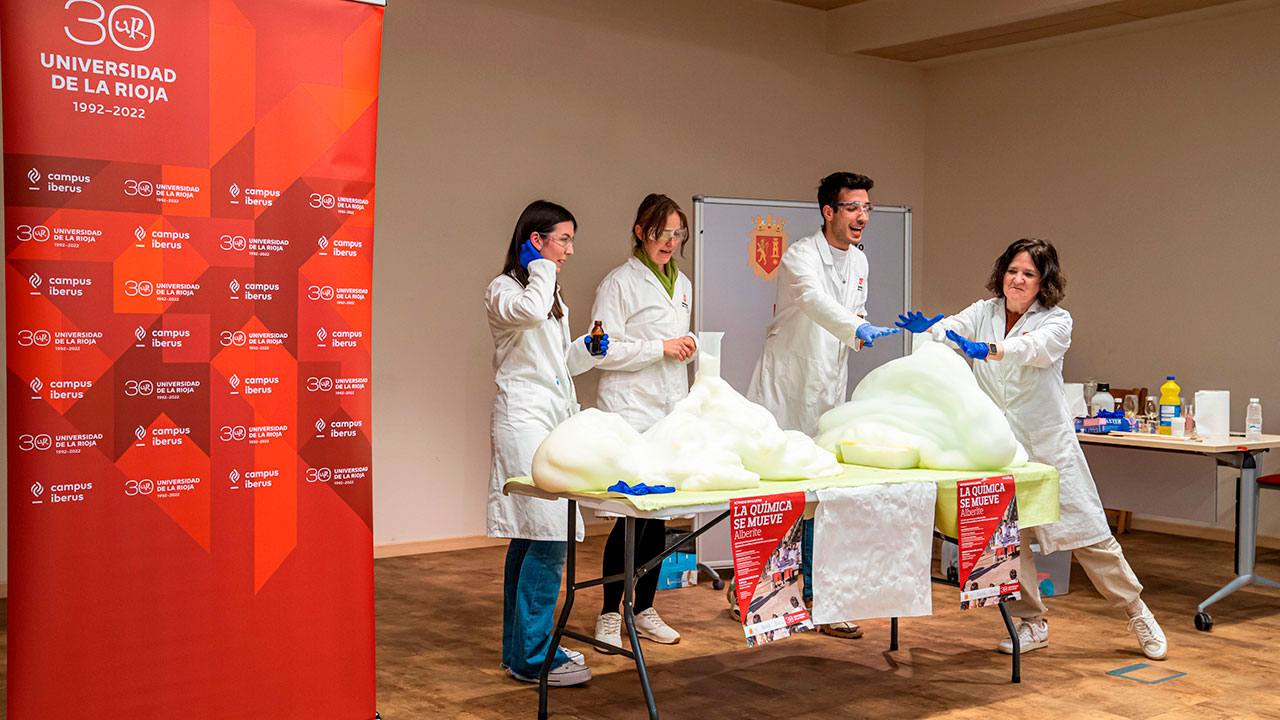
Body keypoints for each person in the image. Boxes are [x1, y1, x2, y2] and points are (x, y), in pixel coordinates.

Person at [909, 237, 1167, 660]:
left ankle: (1137, 612)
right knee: (1007, 537)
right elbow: (951, 330)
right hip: (997, 446)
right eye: (1012, 270)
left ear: (1044, 281)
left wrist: (989, 349)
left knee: (1090, 534)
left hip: (1049, 446)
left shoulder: (1057, 321)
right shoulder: (984, 311)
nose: (1017, 279)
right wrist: (932, 329)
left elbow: (1033, 351)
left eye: (1028, 273)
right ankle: (1032, 623)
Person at [746, 171, 916, 640]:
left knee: (822, 497)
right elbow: (817, 302)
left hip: (827, 388)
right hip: (786, 385)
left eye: (867, 208)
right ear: (829, 212)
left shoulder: (859, 262)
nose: (862, 217)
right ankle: (761, 591)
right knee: (777, 494)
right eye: (853, 208)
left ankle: (820, 598)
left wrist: (860, 331)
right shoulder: (801, 255)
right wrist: (857, 329)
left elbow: (850, 310)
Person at [486, 200, 610, 687]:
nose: (570, 251)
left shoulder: (547, 291)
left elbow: (557, 363)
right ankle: (533, 659)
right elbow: (531, 311)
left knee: (531, 535)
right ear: (535, 240)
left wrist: (587, 350)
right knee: (549, 534)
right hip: (523, 422)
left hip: (549, 417)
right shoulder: (505, 289)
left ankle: (518, 650)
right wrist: (541, 268)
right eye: (563, 239)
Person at [589, 193, 696, 652]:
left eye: (677, 233)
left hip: (669, 410)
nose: (670, 241)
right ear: (640, 232)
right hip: (630, 411)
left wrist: (686, 345)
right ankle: (610, 615)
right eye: (661, 233)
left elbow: (674, 345)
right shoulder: (618, 284)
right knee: (629, 517)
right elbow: (603, 350)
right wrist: (661, 348)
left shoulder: (683, 283)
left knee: (661, 518)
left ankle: (645, 608)